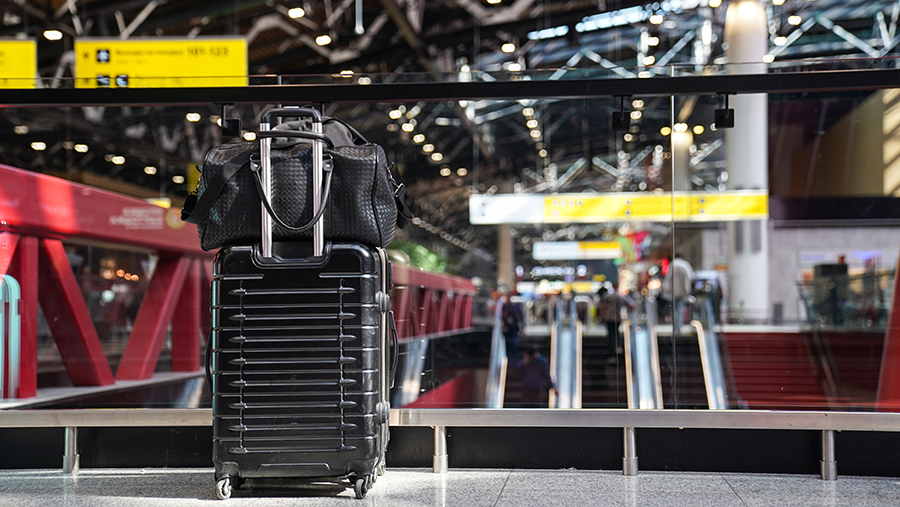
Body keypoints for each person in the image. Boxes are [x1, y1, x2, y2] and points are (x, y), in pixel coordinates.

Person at [597, 281, 637, 360]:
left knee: (611, 333)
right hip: (617, 318)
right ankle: (618, 347)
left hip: (608, 317)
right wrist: (630, 314)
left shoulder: (607, 296)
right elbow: (631, 305)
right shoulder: (621, 297)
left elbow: (602, 307)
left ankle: (612, 350)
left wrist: (601, 317)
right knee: (616, 332)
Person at [663, 254, 694, 326]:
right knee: (680, 308)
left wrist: (665, 288)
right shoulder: (685, 264)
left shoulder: (672, 265)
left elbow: (667, 278)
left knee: (675, 308)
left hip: (674, 290)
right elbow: (691, 277)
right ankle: (678, 324)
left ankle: (676, 324)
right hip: (683, 290)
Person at [500, 295, 525, 364]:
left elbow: (520, 317)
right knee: (508, 346)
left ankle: (514, 361)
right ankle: (509, 360)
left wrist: (523, 328)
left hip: (514, 328)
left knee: (514, 345)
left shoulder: (515, 307)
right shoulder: (504, 307)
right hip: (507, 329)